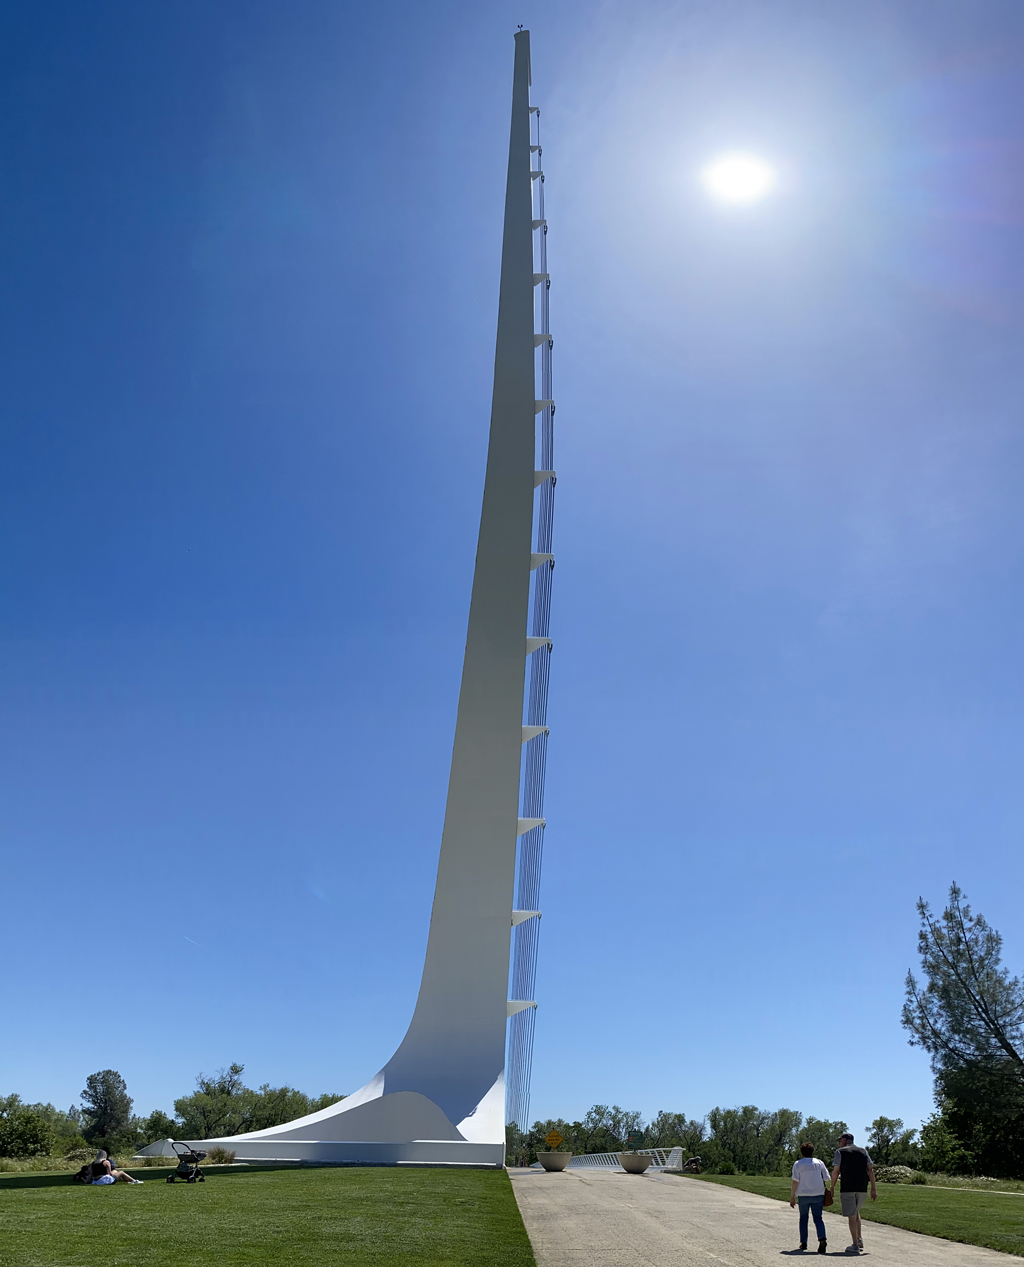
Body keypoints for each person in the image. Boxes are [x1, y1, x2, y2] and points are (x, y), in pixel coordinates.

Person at [830, 1132, 876, 1254]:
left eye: (840, 1140)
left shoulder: (840, 1152)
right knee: (855, 1212)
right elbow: (870, 1170)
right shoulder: (863, 1151)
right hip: (862, 1188)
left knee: (851, 1215)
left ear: (845, 1140)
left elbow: (836, 1171)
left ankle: (855, 1245)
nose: (839, 1143)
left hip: (847, 1187)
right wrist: (873, 1188)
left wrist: (832, 1186)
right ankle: (859, 1239)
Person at [789, 1140, 830, 1254]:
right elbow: (827, 1178)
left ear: (802, 1152)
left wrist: (792, 1196)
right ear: (812, 1152)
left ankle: (804, 1242)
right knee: (818, 1218)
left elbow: (795, 1181)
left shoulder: (798, 1164)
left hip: (803, 1194)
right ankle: (822, 1238)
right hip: (818, 1194)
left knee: (803, 1218)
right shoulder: (819, 1163)